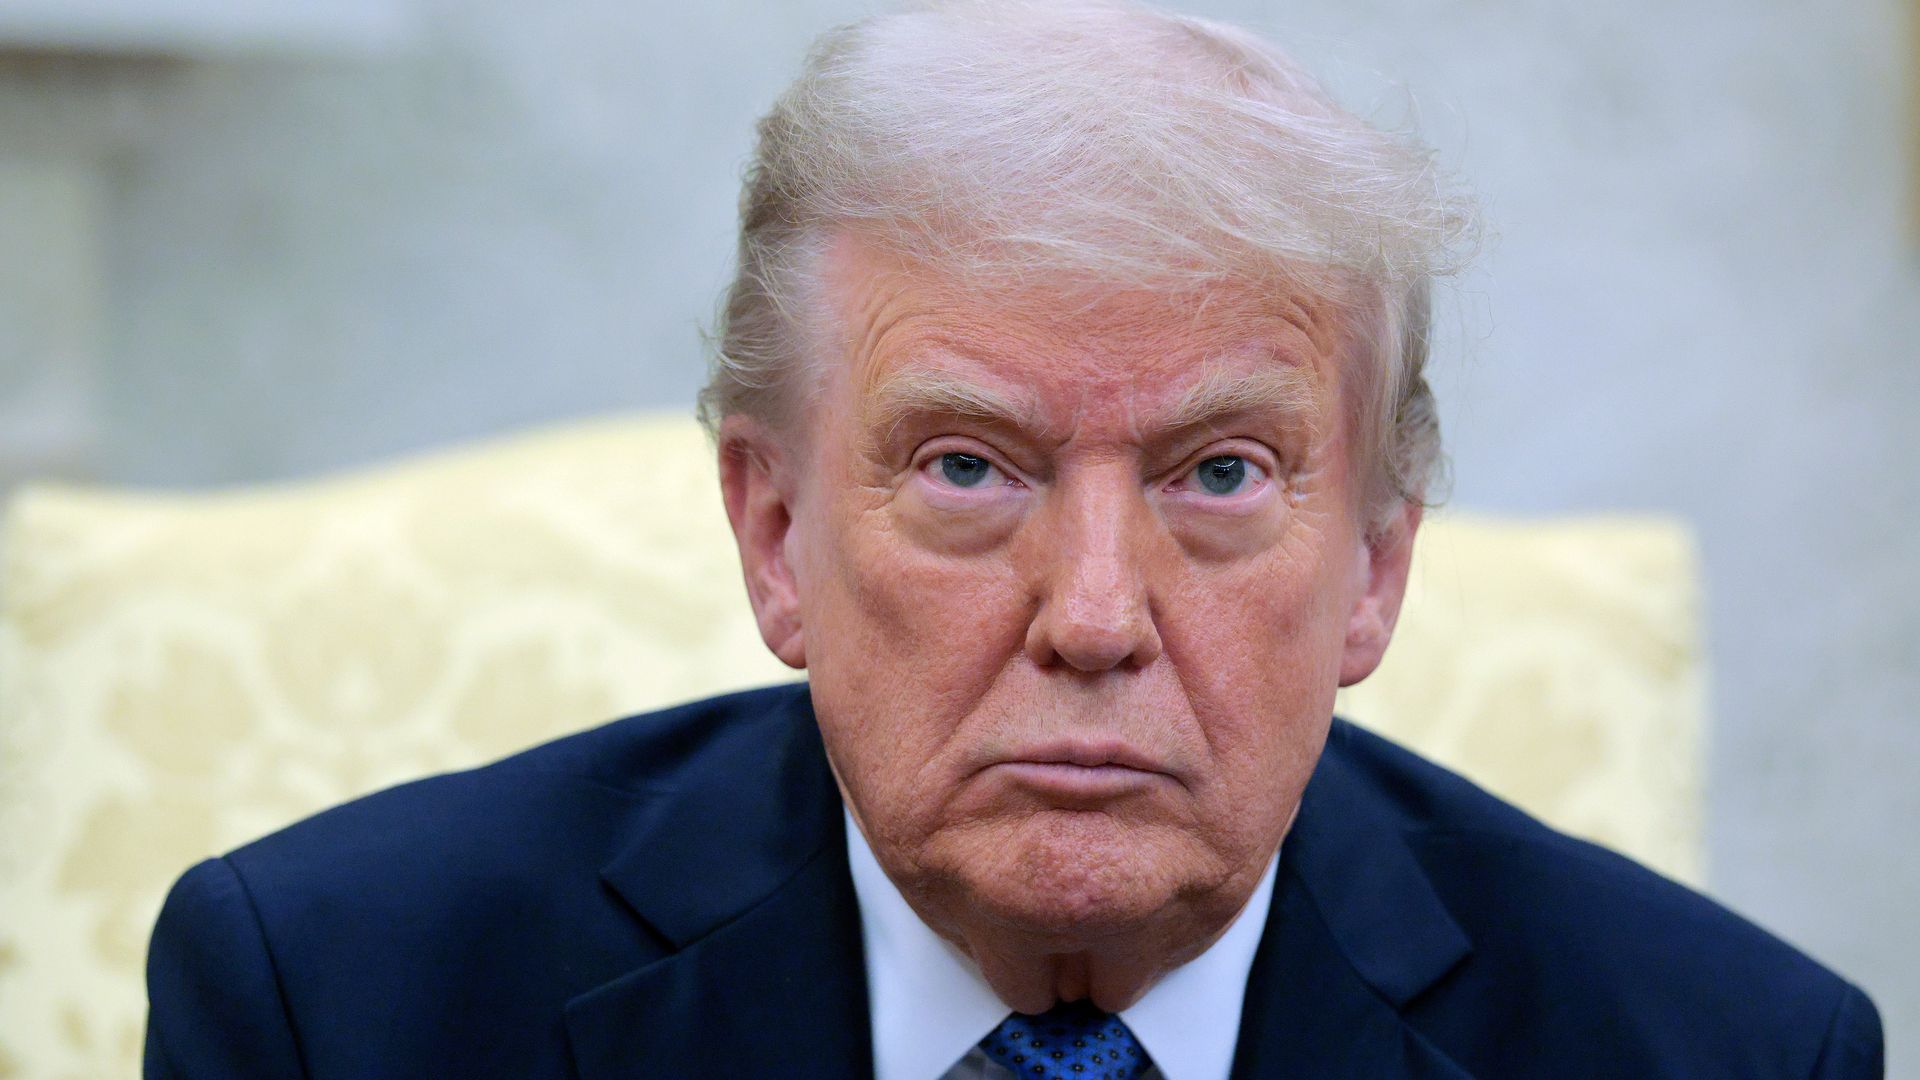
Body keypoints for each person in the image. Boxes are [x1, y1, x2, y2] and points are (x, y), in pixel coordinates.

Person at [143, 2, 1884, 1077]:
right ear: (773, 534)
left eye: (1219, 475)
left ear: (1374, 566)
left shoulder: (1727, 1053)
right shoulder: (340, 1008)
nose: (1098, 617)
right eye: (972, 467)